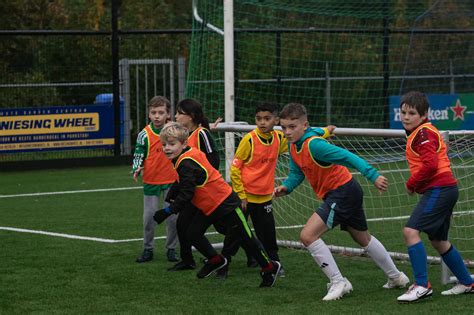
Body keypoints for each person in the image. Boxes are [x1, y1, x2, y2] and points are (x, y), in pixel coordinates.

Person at [274, 103, 409, 301]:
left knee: (307, 235)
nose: (287, 132)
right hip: (345, 191)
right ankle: (397, 277)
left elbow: (348, 157)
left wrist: (373, 175)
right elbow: (296, 173)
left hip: (342, 192)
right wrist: (287, 187)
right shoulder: (294, 145)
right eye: (283, 127)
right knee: (363, 238)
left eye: (292, 127)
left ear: (304, 125)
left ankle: (339, 282)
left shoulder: (315, 145)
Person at [154, 122, 281, 287]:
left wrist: (167, 211)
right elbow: (186, 182)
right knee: (192, 233)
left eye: (172, 144)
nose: (167, 148)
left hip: (225, 203)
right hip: (209, 206)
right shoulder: (186, 156)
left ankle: (270, 267)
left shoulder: (186, 162)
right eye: (164, 145)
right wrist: (172, 196)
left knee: (247, 238)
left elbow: (187, 192)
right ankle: (216, 260)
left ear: (184, 144)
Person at [219, 102, 334, 279]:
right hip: (245, 198)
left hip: (265, 197)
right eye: (258, 119)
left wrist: (326, 131)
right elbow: (235, 168)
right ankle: (223, 266)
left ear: (276, 120)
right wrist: (241, 195)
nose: (262, 122)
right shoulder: (249, 139)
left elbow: (306, 133)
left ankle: (274, 264)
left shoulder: (279, 139)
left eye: (267, 118)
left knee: (268, 234)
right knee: (235, 233)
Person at [396, 91, 473, 303]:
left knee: (410, 231)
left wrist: (412, 184)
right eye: (403, 112)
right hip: (445, 189)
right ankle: (467, 282)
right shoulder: (420, 132)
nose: (406, 116)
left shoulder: (422, 133)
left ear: (423, 115)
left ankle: (421, 285)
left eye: (411, 113)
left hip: (440, 189)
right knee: (439, 240)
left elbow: (430, 165)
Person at [167, 98, 230, 271]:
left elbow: (214, 160)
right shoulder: (185, 136)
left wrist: (198, 181)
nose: (176, 116)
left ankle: (248, 254)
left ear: (191, 116)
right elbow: (185, 170)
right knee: (182, 224)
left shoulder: (202, 133)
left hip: (207, 191)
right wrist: (175, 190)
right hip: (194, 191)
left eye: (180, 113)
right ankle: (188, 260)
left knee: (225, 226)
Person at [132, 96, 179, 263]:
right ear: (149, 114)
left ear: (168, 114)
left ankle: (171, 249)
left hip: (173, 181)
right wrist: (136, 167)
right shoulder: (144, 134)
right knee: (149, 218)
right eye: (153, 112)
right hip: (151, 181)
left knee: (173, 218)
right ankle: (148, 249)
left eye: (161, 112)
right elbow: (138, 153)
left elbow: (190, 138)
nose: (157, 116)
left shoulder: (175, 131)